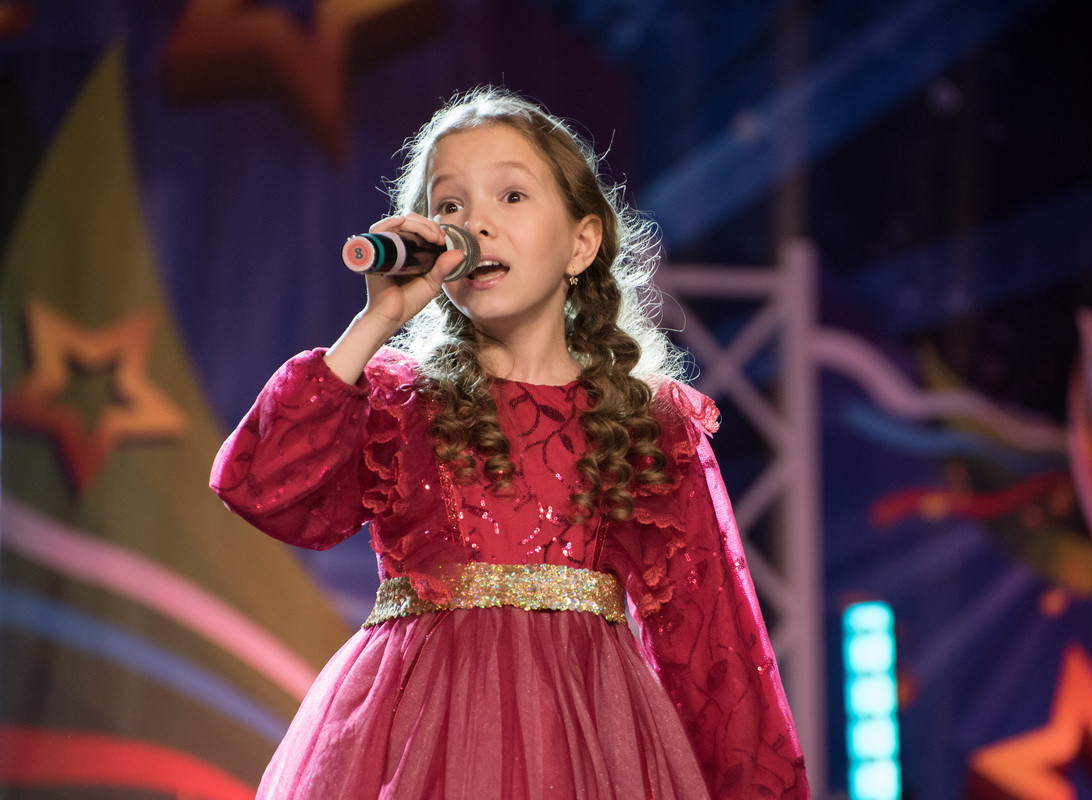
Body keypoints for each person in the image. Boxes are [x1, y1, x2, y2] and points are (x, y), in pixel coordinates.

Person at [210, 86, 807, 800]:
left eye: (512, 196)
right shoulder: (399, 401)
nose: (477, 225)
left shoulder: (646, 425)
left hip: (586, 744)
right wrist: (376, 321)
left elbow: (715, 654)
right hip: (415, 742)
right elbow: (260, 484)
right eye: (450, 206)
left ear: (582, 243)